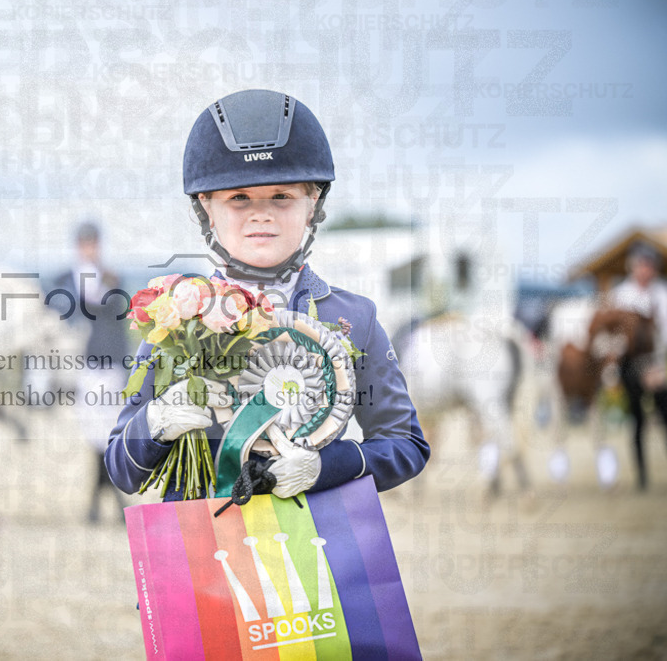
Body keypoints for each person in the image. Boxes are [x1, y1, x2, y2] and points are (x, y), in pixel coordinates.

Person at [105, 89, 430, 502]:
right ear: (206, 207)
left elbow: (405, 443)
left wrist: (328, 466)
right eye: (238, 198)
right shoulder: (175, 315)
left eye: (282, 196)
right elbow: (122, 469)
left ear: (312, 203)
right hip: (203, 536)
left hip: (317, 536)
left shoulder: (355, 317)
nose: (262, 213)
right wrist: (154, 423)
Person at [53, 222, 132, 521]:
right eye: (85, 243)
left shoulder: (112, 278)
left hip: (109, 365)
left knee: (107, 432)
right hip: (81, 367)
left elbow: (119, 324)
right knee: (95, 433)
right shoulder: (64, 281)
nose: (89, 249)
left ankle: (100, 503)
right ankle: (107, 500)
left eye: (93, 243)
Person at [610, 242, 667, 489]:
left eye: (649, 265)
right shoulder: (621, 295)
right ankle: (642, 475)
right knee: (637, 421)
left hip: (657, 364)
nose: (645, 270)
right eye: (641, 265)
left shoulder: (662, 294)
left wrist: (657, 367)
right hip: (630, 365)